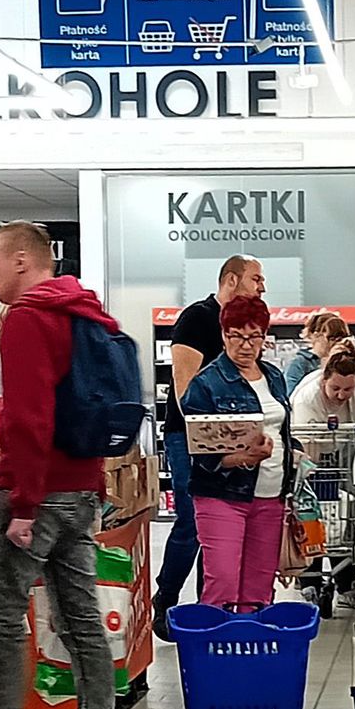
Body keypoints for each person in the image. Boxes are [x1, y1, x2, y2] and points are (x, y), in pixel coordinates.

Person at [0, 222, 126, 709]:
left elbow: (30, 419)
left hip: (39, 493)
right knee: (81, 624)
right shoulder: (88, 314)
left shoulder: (29, 318)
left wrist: (24, 504)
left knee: (0, 616)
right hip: (81, 490)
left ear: (23, 260)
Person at [156, 254, 264, 634]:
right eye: (256, 278)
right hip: (188, 437)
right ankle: (165, 599)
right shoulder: (197, 318)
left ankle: (211, 609)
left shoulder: (245, 326)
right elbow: (183, 382)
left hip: (234, 440)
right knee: (191, 520)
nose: (262, 286)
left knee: (220, 524)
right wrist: (205, 436)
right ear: (231, 280)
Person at [180, 295, 297, 610]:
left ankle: (249, 641)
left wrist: (294, 455)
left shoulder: (274, 376)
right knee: (222, 585)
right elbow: (201, 453)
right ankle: (216, 642)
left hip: (271, 498)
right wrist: (243, 459)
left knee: (259, 592)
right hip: (222, 496)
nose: (245, 345)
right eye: (236, 336)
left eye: (254, 336)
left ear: (264, 337)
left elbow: (282, 429)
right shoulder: (206, 384)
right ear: (223, 334)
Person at [291, 345, 355, 428]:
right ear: (324, 380)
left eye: (348, 389)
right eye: (335, 388)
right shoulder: (306, 400)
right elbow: (305, 436)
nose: (341, 395)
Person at [282, 311, 350, 390]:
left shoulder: (346, 360)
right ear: (316, 336)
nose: (337, 343)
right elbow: (291, 393)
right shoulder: (299, 363)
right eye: (332, 338)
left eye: (341, 339)